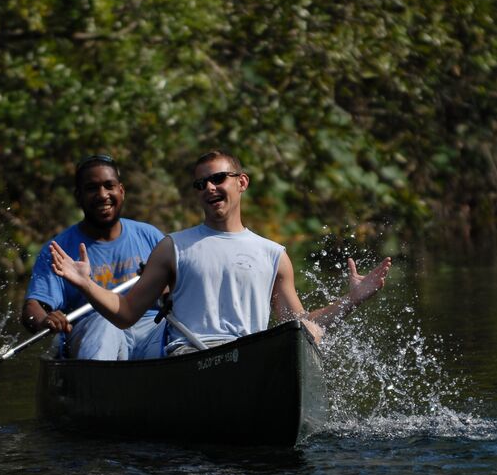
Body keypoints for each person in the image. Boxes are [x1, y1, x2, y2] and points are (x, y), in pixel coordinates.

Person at [47, 149, 392, 354]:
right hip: (190, 358)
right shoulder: (172, 247)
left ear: (241, 183)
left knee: (298, 338)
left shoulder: (273, 253)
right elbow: (126, 314)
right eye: (201, 184)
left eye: (218, 179)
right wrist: (87, 285)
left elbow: (299, 326)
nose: (209, 188)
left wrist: (352, 301)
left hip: (249, 357)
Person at [21, 154, 167, 360]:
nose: (102, 195)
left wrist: (165, 285)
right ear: (78, 196)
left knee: (176, 330)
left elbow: (176, 291)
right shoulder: (58, 250)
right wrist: (44, 320)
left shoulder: (150, 236)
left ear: (121, 191)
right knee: (107, 325)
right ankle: (99, 385)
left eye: (109, 186)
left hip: (149, 328)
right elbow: (33, 307)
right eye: (92, 188)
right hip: (93, 330)